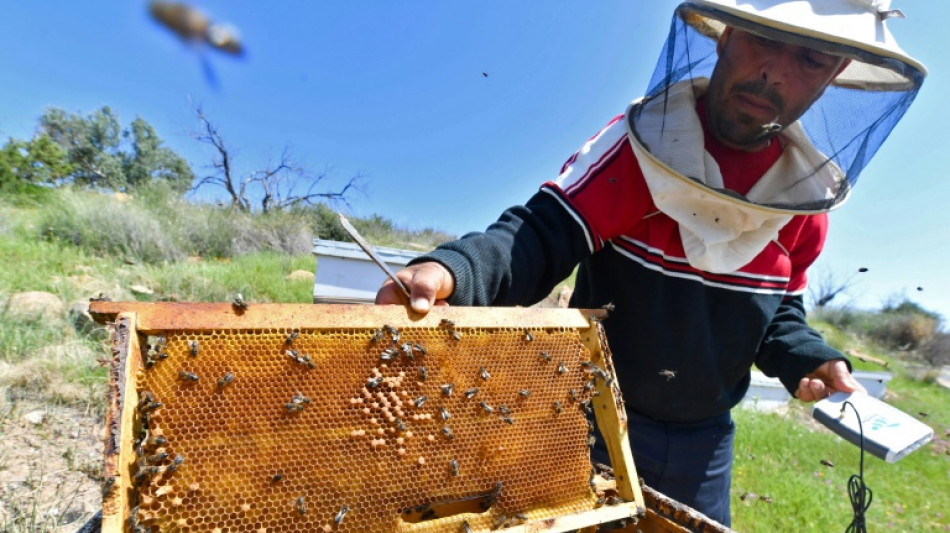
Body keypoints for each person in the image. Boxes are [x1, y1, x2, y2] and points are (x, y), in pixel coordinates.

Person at [375, 0, 925, 526]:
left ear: (834, 75)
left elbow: (779, 313)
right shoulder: (639, 151)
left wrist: (810, 358)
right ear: (726, 32)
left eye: (809, 59)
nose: (774, 74)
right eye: (765, 39)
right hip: (592, 418)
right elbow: (539, 237)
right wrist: (456, 269)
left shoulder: (802, 203)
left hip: (706, 443)